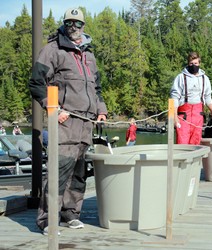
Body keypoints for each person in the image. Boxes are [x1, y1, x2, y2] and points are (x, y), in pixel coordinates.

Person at [29, 8, 108, 235]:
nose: (73, 27)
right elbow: (36, 83)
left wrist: (100, 110)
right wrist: (54, 109)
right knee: (58, 171)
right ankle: (47, 220)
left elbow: (97, 88)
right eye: (69, 23)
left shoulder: (89, 56)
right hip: (64, 122)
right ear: (64, 24)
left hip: (86, 123)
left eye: (78, 24)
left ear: (84, 26)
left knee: (79, 172)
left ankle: (70, 215)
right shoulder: (52, 50)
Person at [170, 52, 212, 145]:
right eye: (191, 64)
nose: (194, 66)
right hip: (183, 116)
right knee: (182, 143)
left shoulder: (205, 78)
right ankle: (181, 160)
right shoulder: (180, 77)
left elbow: (208, 96)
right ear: (188, 64)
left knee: (196, 143)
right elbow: (174, 98)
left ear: (199, 63)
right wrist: (175, 117)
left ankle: (195, 160)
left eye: (196, 63)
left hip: (198, 115)